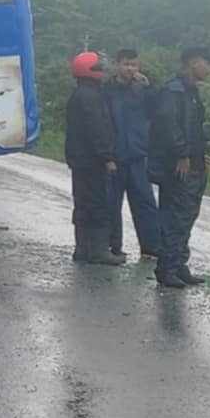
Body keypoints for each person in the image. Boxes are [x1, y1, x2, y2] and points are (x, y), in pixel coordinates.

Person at [149, 47, 210, 288]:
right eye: (207, 63)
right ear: (193, 62)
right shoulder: (173, 91)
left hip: (193, 164)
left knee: (187, 216)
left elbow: (193, 129)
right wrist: (182, 153)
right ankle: (167, 268)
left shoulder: (191, 92)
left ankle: (178, 264)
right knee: (175, 217)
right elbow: (168, 125)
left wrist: (199, 155)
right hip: (177, 167)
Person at [64, 51, 123, 265]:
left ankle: (82, 249)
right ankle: (98, 251)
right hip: (92, 160)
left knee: (82, 203)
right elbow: (97, 129)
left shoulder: (80, 94)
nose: (103, 72)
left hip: (79, 159)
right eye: (99, 68)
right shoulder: (91, 96)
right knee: (98, 203)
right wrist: (107, 156)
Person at [103, 50, 160, 260]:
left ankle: (151, 248)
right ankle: (113, 248)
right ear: (117, 64)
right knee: (111, 205)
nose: (130, 69)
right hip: (114, 157)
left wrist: (149, 87)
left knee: (145, 203)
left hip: (138, 156)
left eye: (134, 65)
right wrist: (106, 155)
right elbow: (102, 123)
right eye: (126, 64)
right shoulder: (106, 90)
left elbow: (157, 111)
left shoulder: (143, 90)